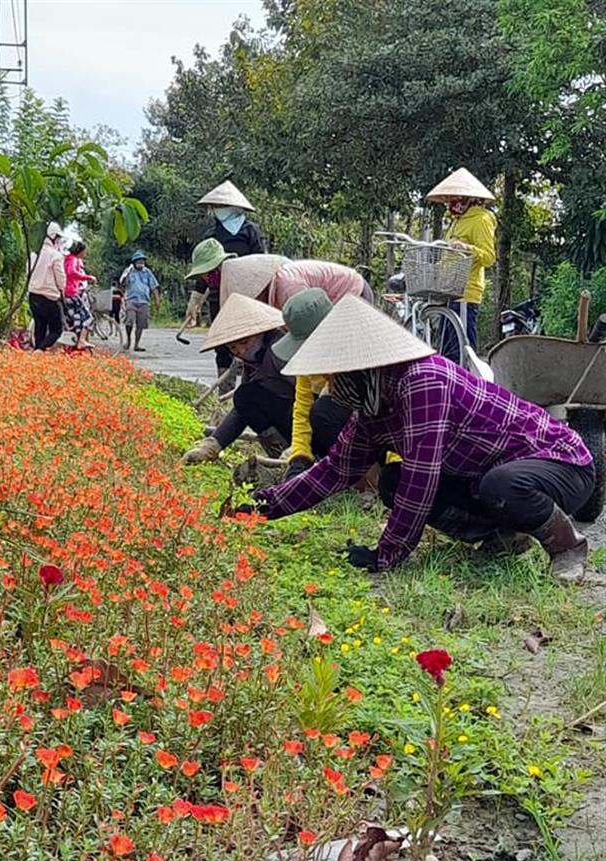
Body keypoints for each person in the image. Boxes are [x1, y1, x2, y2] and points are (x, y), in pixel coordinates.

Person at [248, 294, 593, 584]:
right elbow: (334, 471)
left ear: (357, 367)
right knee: (392, 482)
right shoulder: (374, 409)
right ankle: (502, 536)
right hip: (487, 478)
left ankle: (567, 547)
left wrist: (387, 553)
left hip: (561, 465)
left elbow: (422, 477)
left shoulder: (422, 380)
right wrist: (258, 509)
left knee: (498, 484)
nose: (330, 386)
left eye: (334, 375)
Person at [222, 257, 373, 479]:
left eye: (243, 343)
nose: (240, 351)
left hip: (386, 442)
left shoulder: (360, 353)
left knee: (324, 411)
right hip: (340, 434)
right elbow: (301, 410)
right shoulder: (305, 361)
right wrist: (299, 457)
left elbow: (382, 417)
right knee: (315, 412)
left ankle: (361, 473)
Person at [182, 294, 295, 464]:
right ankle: (279, 450)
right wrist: (213, 445)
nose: (241, 351)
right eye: (233, 348)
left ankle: (296, 452)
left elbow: (309, 398)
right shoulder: (252, 360)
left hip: (308, 420)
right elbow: (242, 408)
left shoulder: (278, 350)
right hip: (286, 420)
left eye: (244, 342)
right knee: (244, 396)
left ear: (259, 333)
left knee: (248, 395)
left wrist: (301, 444)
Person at [184, 181, 267, 382]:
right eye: (215, 207)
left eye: (221, 206)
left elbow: (261, 263)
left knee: (251, 342)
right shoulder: (212, 235)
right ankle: (225, 387)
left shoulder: (251, 231)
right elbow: (204, 270)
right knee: (223, 343)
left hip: (247, 294)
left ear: (234, 207)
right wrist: (194, 301)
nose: (217, 211)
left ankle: (251, 386)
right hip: (217, 296)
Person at [184, 242, 288, 389]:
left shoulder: (237, 277)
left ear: (216, 267)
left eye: (206, 275)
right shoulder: (221, 281)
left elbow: (248, 325)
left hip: (280, 307)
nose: (206, 280)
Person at [426, 167, 496, 359]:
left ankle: (470, 385)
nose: (450, 203)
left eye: (454, 198)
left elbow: (489, 257)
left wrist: (468, 248)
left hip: (467, 292)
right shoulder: (457, 221)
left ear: (468, 198)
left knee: (463, 351)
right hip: (449, 289)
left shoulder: (481, 219)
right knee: (446, 351)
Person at [28, 222, 66, 351]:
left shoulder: (33, 255)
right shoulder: (56, 255)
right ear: (53, 236)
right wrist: (62, 290)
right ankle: (39, 351)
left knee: (40, 327)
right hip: (49, 297)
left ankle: (38, 352)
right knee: (56, 329)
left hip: (33, 296)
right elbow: (61, 279)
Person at [122, 251, 159, 352]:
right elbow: (123, 284)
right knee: (129, 320)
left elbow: (154, 287)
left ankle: (136, 344)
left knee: (141, 324)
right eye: (138, 261)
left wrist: (157, 300)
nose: (140, 263)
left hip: (144, 301)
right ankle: (128, 339)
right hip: (131, 299)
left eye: (142, 261)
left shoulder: (147, 272)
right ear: (134, 262)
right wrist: (126, 275)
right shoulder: (129, 271)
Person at [63, 238, 96, 350]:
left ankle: (76, 342)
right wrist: (88, 277)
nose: (85, 254)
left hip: (66, 293)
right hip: (72, 292)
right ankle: (81, 340)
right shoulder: (74, 260)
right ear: (80, 251)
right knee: (87, 317)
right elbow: (71, 272)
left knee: (77, 317)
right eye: (84, 251)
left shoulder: (67, 259)